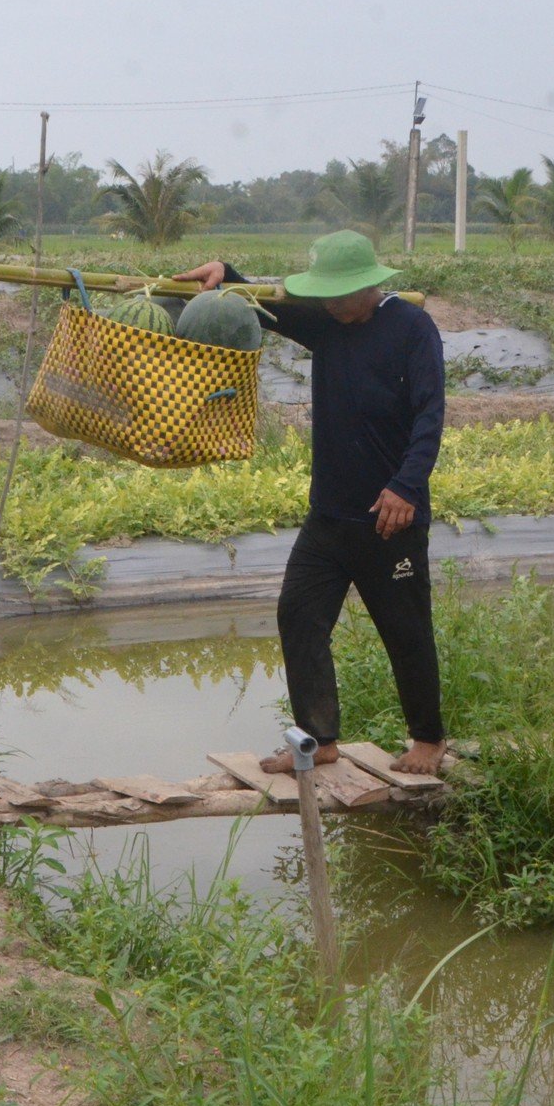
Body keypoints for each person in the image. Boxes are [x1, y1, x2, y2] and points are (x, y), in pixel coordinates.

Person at [177, 231, 448, 775]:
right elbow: (268, 310)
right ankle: (320, 739)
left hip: (388, 519)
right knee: (298, 615)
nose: (327, 303)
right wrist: (226, 273)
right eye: (321, 294)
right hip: (327, 516)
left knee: (405, 628)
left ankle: (428, 739)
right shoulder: (326, 322)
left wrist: (406, 486)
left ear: (367, 286)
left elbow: (429, 414)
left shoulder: (413, 330)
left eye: (336, 294)